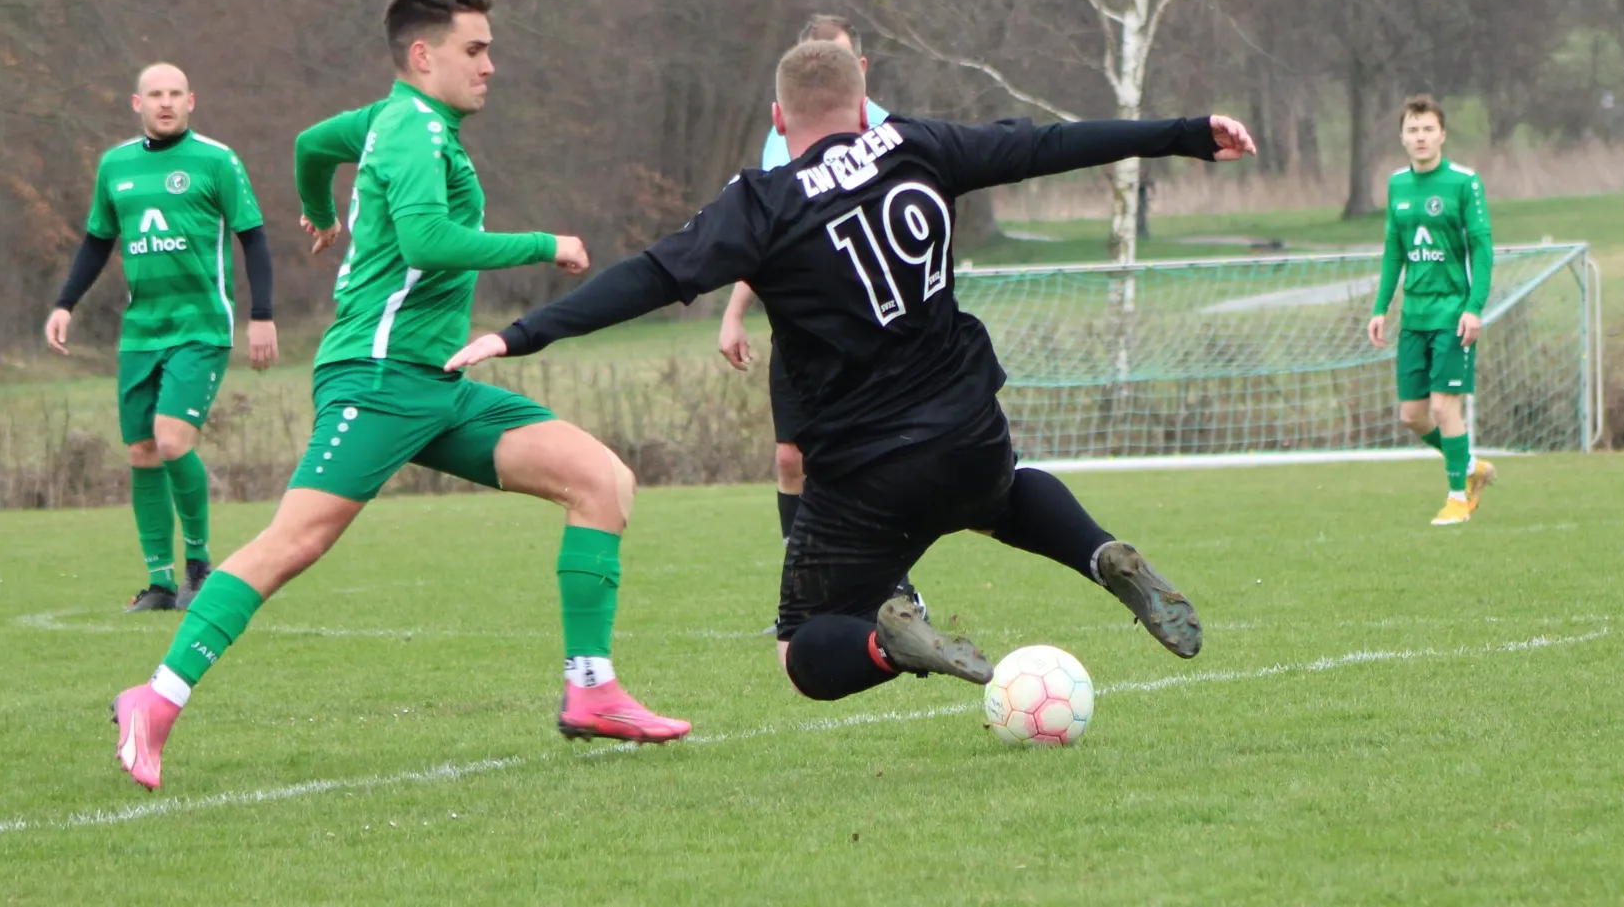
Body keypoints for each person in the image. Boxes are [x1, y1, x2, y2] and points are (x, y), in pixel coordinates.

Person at [449, 40, 1257, 702]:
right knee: (1002, 495)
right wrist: (1187, 133)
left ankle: (888, 641)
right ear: (864, 105)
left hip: (867, 473)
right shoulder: (917, 144)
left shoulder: (762, 203)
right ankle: (1103, 554)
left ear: (779, 118)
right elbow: (1045, 145)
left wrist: (523, 333)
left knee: (802, 646)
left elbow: (653, 275)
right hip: (971, 432)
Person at [110, 0, 689, 792]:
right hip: (376, 379)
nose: (489, 66)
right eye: (474, 50)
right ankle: (156, 698)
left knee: (602, 479)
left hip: (437, 379)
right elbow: (425, 238)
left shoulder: (392, 119)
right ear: (423, 55)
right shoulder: (412, 129)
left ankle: (591, 688)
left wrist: (320, 211)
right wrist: (544, 243)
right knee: (294, 542)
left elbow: (312, 144)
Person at [45, 63, 277, 613]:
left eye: (175, 94)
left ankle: (198, 565)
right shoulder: (115, 165)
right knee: (142, 450)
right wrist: (64, 304)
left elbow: (253, 238)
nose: (165, 102)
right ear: (137, 103)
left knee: (172, 441)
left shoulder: (217, 160)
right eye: (155, 94)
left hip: (201, 326)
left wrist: (262, 314)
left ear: (191, 101)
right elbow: (97, 242)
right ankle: (160, 583)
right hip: (140, 332)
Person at [717, 13, 920, 625]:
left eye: (839, 59)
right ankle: (804, 583)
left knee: (864, 458)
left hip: (868, 328)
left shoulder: (885, 131)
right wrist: (734, 312)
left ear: (861, 67)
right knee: (790, 458)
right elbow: (766, 234)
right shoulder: (782, 133)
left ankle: (897, 590)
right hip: (800, 327)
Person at [1366, 94, 1496, 526]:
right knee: (1413, 416)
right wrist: (1381, 307)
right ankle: (1470, 465)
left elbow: (1482, 249)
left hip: (1452, 314)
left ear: (1442, 134)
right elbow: (1393, 250)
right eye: (1412, 130)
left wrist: (1474, 307)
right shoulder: (1397, 184)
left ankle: (1458, 497)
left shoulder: (1464, 182)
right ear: (1402, 137)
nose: (1420, 137)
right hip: (1414, 317)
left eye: (1427, 129)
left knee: (1444, 408)